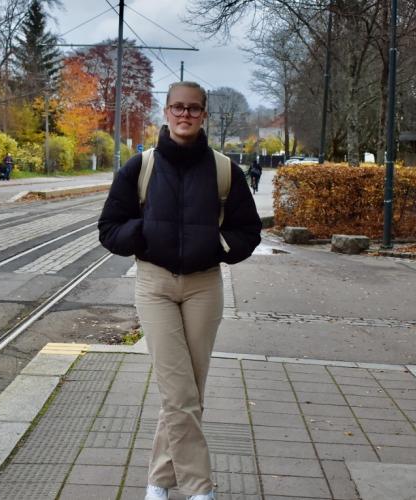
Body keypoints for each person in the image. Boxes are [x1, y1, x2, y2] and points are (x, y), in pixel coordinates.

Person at [99, 81, 261, 500]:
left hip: (204, 286)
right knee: (179, 390)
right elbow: (109, 228)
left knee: (188, 390)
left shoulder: (225, 169)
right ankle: (199, 488)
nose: (184, 115)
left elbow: (248, 230)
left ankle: (158, 481)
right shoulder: (141, 167)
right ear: (166, 112)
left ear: (203, 114)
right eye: (177, 108)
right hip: (154, 284)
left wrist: (219, 245)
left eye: (193, 109)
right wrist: (144, 235)